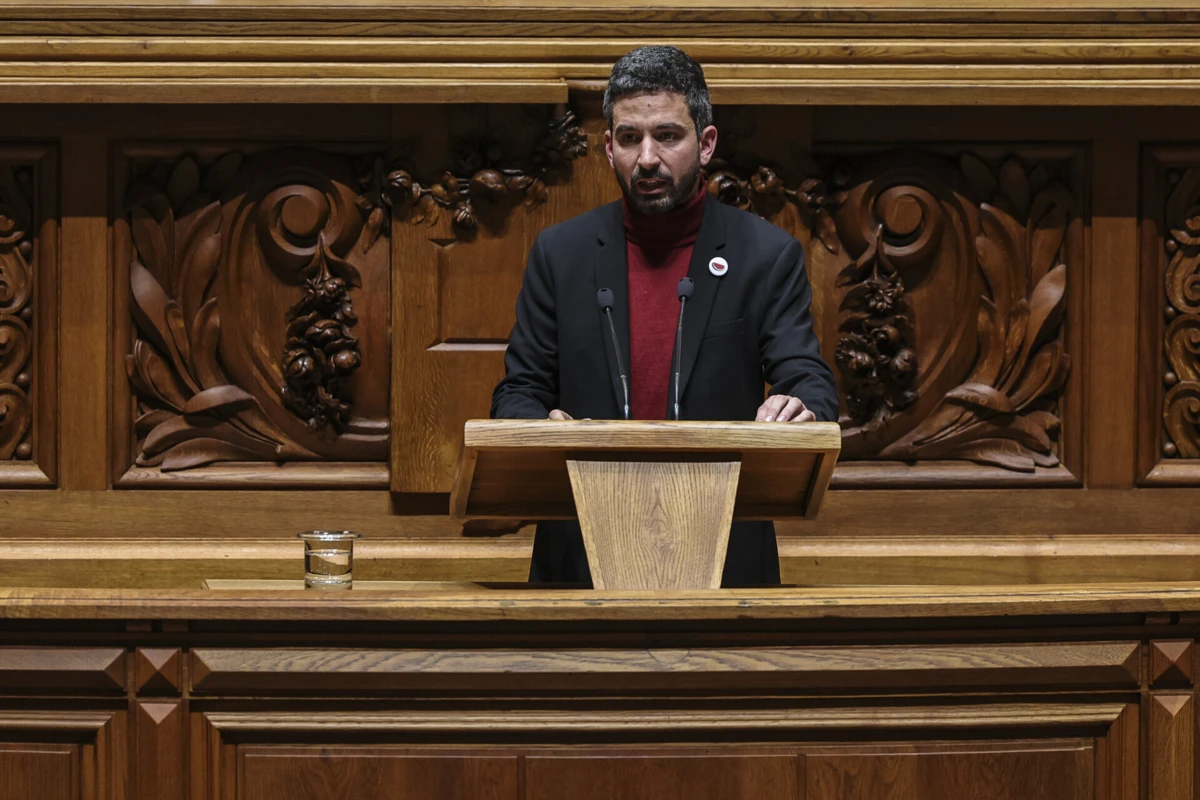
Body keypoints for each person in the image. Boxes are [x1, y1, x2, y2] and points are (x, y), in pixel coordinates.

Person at [491, 45, 839, 586]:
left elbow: (810, 383)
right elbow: (517, 394)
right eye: (629, 138)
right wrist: (539, 428)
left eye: (667, 136)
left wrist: (797, 406)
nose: (647, 158)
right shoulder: (560, 254)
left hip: (724, 553)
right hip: (584, 550)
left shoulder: (765, 254)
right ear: (608, 148)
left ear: (705, 145)